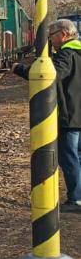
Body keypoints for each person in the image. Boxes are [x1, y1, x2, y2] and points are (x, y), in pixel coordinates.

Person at [13, 18, 81, 212]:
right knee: (78, 157)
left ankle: (76, 199)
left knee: (69, 158)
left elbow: (48, 76)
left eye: (51, 36)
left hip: (71, 116)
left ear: (64, 34)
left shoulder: (67, 55)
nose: (50, 40)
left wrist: (19, 69)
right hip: (78, 115)